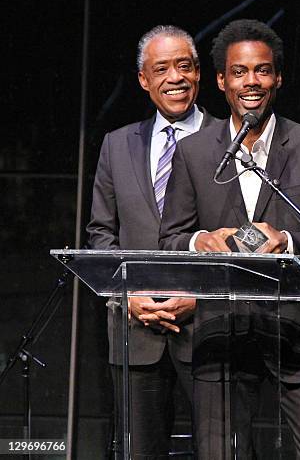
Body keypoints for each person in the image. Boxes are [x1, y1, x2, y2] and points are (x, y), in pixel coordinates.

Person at [159, 19, 300, 460]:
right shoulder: (193, 153)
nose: (251, 81)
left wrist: (288, 241)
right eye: (239, 72)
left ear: (278, 78)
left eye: (262, 70)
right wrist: (199, 242)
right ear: (220, 80)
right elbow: (170, 238)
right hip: (220, 336)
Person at [87, 25, 218, 458]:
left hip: (212, 331)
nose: (175, 77)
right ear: (143, 79)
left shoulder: (230, 141)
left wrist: (200, 298)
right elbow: (101, 235)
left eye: (184, 66)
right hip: (134, 331)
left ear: (199, 73)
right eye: (161, 68)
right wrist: (128, 296)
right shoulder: (116, 145)